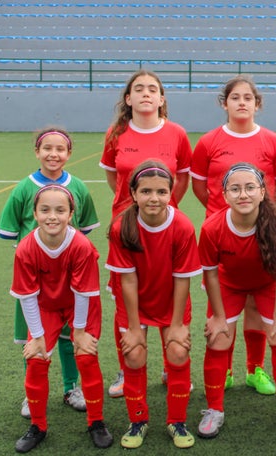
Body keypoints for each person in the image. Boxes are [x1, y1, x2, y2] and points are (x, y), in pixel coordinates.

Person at [191, 75, 276, 397]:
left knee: (254, 305)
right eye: (235, 97)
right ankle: (228, 370)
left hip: (262, 233)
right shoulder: (208, 142)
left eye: (248, 97)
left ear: (257, 104)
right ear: (225, 103)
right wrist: (226, 214)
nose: (242, 102)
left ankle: (254, 369)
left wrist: (258, 215)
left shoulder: (274, 141)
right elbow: (199, 187)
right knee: (225, 303)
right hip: (224, 235)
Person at [100, 69, 193, 398]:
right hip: (125, 229)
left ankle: (172, 367)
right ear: (128, 98)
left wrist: (161, 207)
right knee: (125, 299)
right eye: (138, 89)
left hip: (164, 227)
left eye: (152, 89)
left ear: (162, 98)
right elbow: (116, 180)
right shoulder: (116, 134)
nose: (145, 94)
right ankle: (128, 369)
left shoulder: (178, 133)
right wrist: (132, 209)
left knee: (168, 294)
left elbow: (180, 180)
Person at [0, 127, 100, 419]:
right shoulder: (23, 188)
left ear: (69, 154)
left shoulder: (78, 186)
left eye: (60, 149)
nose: (53, 154)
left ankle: (71, 387)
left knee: (71, 335)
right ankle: (32, 395)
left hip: (70, 275)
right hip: (35, 276)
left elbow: (87, 227)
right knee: (34, 338)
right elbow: (7, 230)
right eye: (47, 148)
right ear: (37, 152)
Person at [197, 163, 276, 439]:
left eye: (249, 188)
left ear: (262, 192)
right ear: (224, 195)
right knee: (218, 337)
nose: (243, 194)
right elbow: (210, 275)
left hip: (269, 284)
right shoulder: (212, 228)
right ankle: (214, 409)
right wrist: (219, 317)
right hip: (227, 285)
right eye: (235, 189)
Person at [105, 162, 201, 449]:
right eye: (145, 191)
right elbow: (128, 281)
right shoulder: (122, 227)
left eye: (161, 191)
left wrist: (176, 325)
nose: (154, 198)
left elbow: (182, 279)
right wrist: (134, 328)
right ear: (133, 193)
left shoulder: (182, 225)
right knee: (134, 355)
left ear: (171, 193)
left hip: (171, 299)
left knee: (178, 352)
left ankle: (177, 421)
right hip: (134, 301)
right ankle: (138, 421)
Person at [10, 185, 111, 452]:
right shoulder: (26, 248)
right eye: (44, 210)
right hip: (45, 305)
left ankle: (96, 421)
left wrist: (79, 332)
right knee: (36, 359)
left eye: (60, 210)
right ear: (34, 213)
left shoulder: (81, 246)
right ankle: (38, 426)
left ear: (71, 214)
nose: (52, 216)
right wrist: (38, 337)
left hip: (82, 303)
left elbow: (83, 291)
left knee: (86, 356)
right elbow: (28, 296)